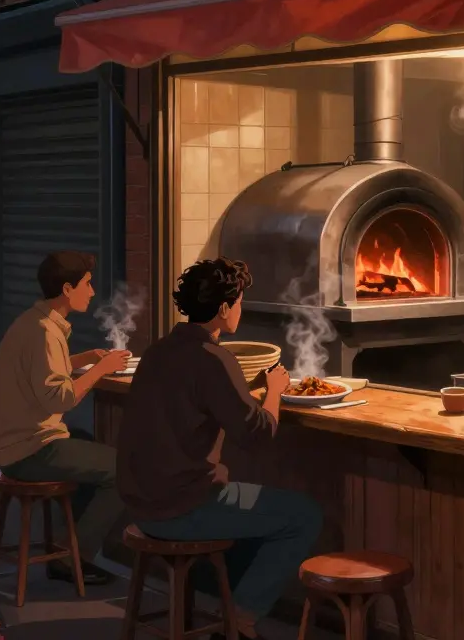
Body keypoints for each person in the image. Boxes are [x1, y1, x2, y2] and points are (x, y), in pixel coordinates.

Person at [118, 257, 321, 638]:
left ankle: (228, 607)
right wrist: (275, 391)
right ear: (225, 308)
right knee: (303, 515)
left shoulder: (160, 350)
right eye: (240, 301)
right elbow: (257, 434)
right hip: (182, 506)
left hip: (141, 501)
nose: (240, 309)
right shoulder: (213, 358)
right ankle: (239, 621)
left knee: (254, 508)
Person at [0, 251, 131, 585]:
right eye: (87, 284)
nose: (91, 293)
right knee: (126, 470)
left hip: (17, 442)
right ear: (67, 288)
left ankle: (68, 550)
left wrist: (87, 358)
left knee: (88, 446)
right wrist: (102, 369)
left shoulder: (38, 323)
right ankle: (72, 554)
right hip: (27, 448)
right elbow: (58, 397)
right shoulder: (44, 332)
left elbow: (44, 373)